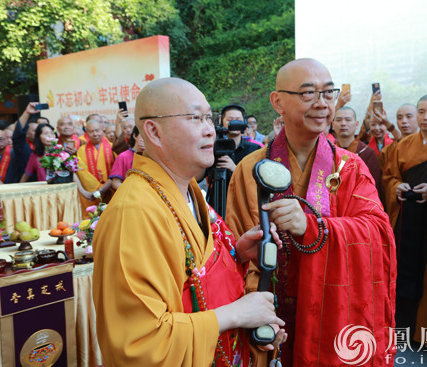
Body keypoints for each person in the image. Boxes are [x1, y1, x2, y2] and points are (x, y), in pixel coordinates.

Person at [93, 77, 286, 366]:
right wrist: (236, 314)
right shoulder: (133, 212)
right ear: (154, 132)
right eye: (196, 118)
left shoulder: (190, 191)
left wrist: (237, 254)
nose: (211, 129)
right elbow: (139, 344)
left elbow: (197, 273)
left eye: (209, 117)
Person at [226, 58, 396, 366]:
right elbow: (231, 255)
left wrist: (312, 227)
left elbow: (378, 233)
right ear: (278, 102)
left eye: (328, 94)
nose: (322, 104)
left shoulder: (350, 167)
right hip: (267, 315)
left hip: (330, 311)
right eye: (308, 94)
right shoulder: (249, 170)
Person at [382, 94, 427, 337]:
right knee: (402, 268)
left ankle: (426, 330)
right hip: (405, 217)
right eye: (421, 111)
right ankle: (401, 326)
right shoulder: (402, 145)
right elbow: (389, 176)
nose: (426, 117)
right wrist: (396, 187)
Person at [74, 119, 115, 218]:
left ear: (102, 130)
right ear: (86, 133)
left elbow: (117, 169)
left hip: (111, 189)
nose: (95, 134)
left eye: (97, 130)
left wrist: (104, 188)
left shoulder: (113, 147)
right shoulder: (81, 150)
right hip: (91, 193)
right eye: (91, 131)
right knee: (93, 220)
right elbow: (82, 172)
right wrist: (98, 189)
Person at [332, 106, 381, 189]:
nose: (343, 123)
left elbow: (374, 187)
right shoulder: (329, 151)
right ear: (333, 125)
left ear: (356, 125)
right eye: (339, 120)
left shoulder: (367, 153)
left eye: (348, 120)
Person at [7, 102, 46, 183]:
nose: (38, 132)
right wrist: (27, 113)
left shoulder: (52, 148)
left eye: (40, 131)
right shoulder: (25, 148)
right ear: (26, 134)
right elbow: (18, 136)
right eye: (35, 131)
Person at [109, 126, 145, 190]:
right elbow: (115, 183)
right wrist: (133, 191)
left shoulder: (153, 157)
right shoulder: (123, 157)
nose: (145, 140)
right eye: (143, 136)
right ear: (135, 136)